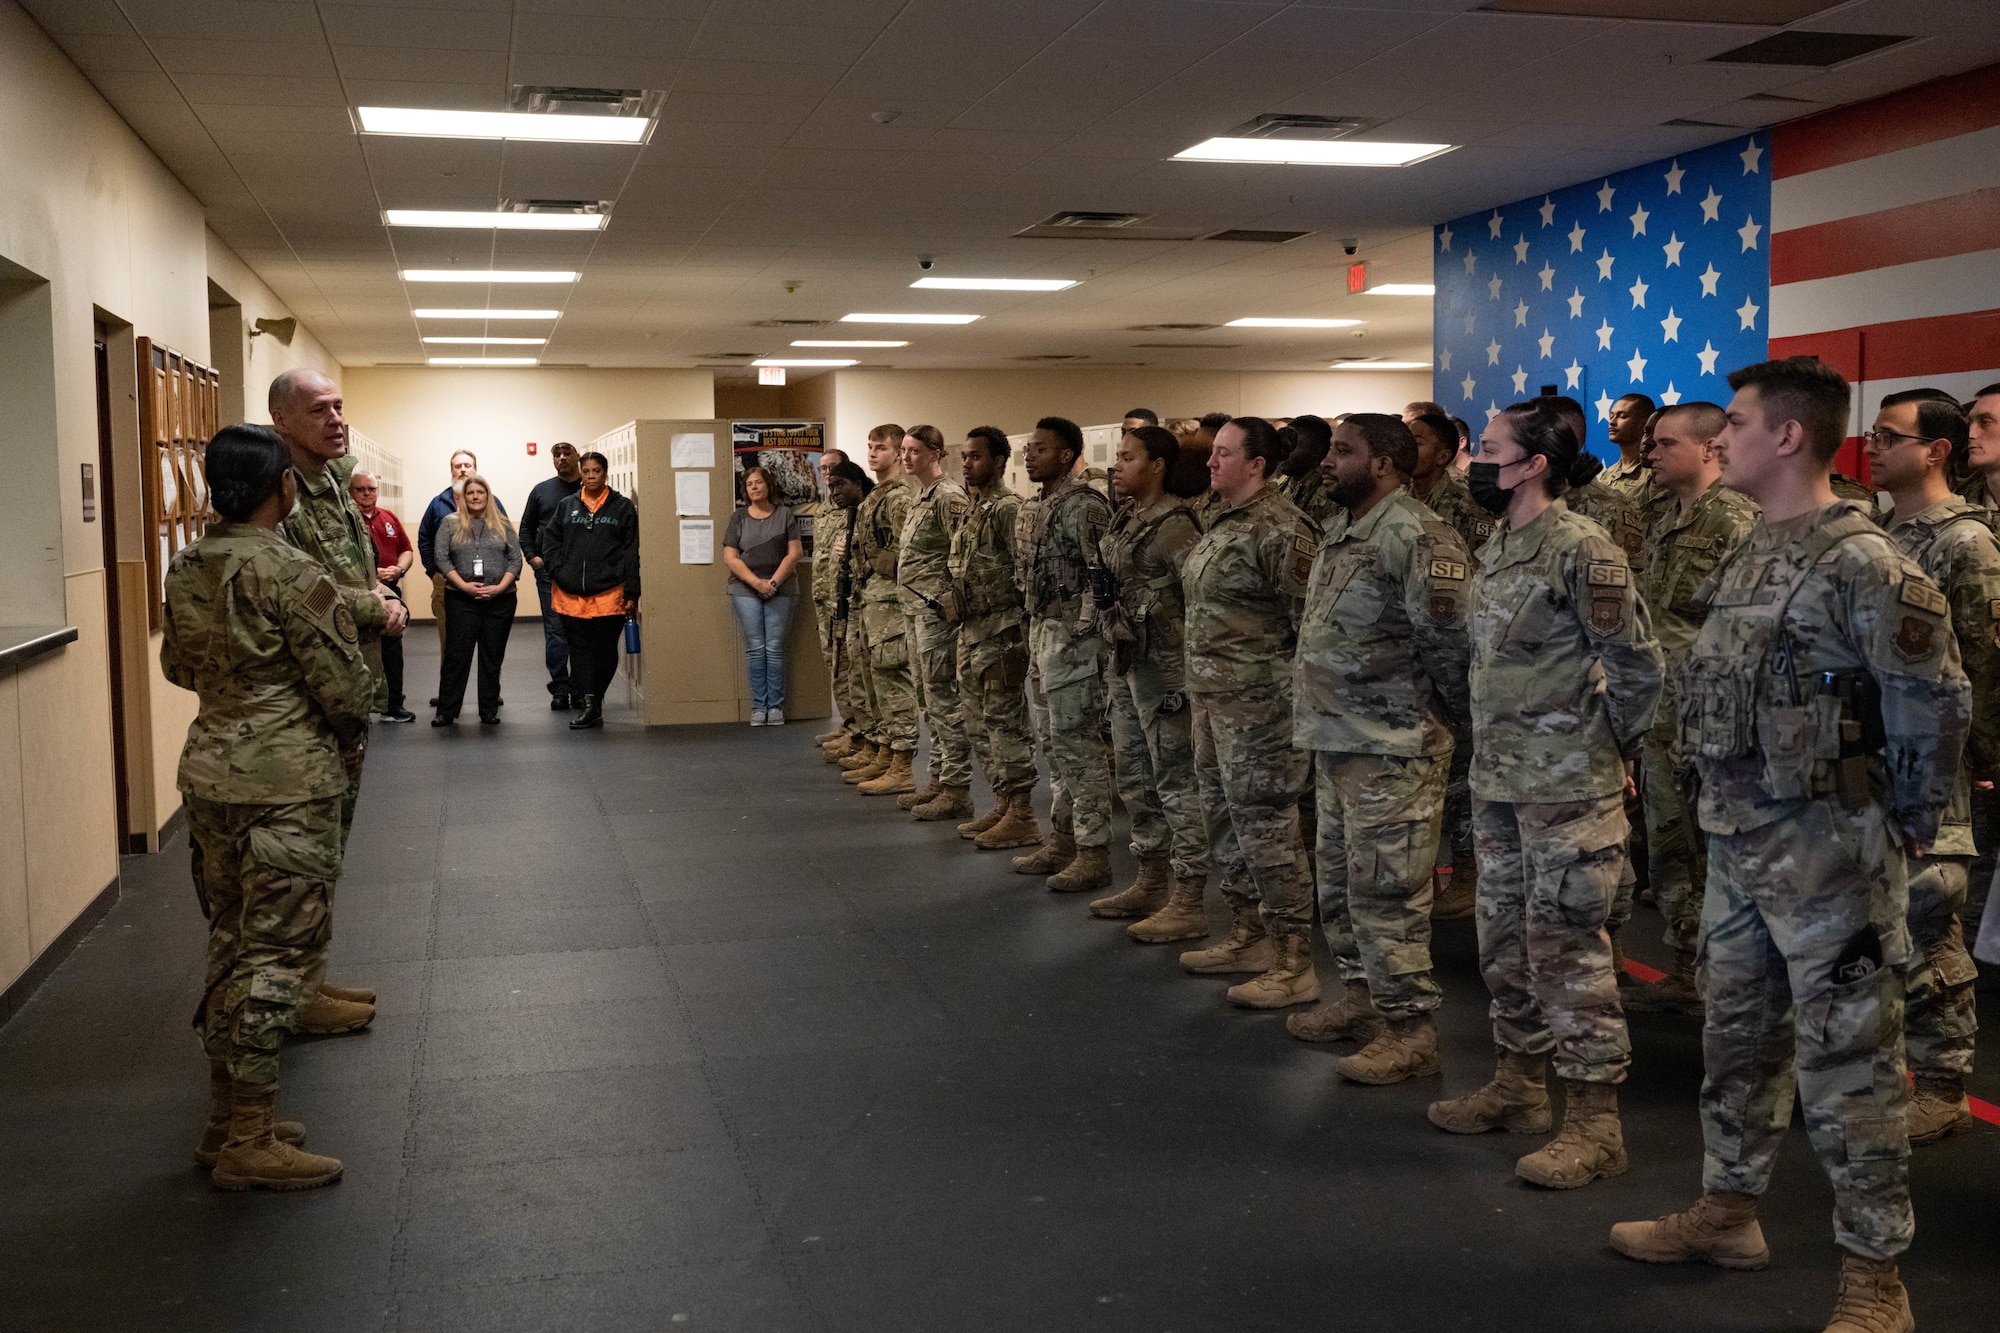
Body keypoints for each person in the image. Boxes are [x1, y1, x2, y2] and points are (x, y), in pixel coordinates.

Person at [1609, 359, 1968, 1333]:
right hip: (1736, 843)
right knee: (1733, 1041)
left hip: (1830, 857)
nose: (1717, 438)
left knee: (1847, 1064)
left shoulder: (1863, 561)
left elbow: (1932, 707)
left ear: (1787, 437)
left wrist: (1901, 838)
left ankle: (1872, 1280)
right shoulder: (1751, 549)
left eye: (1732, 422)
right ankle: (1726, 1214)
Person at [1427, 400, 1661, 1193]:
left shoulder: (1580, 549)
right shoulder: (1497, 544)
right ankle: (1519, 1086)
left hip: (1567, 787)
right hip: (1499, 782)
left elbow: (1637, 666)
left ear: (1533, 464)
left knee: (1568, 949)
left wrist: (1606, 747)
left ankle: (1595, 1125)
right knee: (1504, 942)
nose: (1475, 463)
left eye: (1488, 450)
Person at [161, 424, 383, 1191]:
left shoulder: (185, 566)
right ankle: (249, 1137)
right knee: (277, 956)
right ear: (282, 488)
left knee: (229, 941)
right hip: (288, 783)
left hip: (211, 776)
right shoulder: (296, 573)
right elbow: (345, 688)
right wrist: (349, 736)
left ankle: (225, 1117)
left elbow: (178, 664)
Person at [1288, 414, 1472, 1082]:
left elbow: (1452, 647)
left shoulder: (1416, 534)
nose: (1327, 462)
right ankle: (1363, 999)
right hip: (1338, 740)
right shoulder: (1343, 530)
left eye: (1344, 451)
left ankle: (1411, 1030)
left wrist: (1439, 724)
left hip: (1393, 747)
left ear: (1386, 464)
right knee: (1339, 887)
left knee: (1386, 892)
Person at [1867, 388, 1994, 1145]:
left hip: (1937, 757)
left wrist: (1984, 753)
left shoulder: (1962, 543)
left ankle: (1944, 1082)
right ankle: (1898, 1066)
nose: (1873, 446)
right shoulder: (1885, 529)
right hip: (1883, 754)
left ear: (1935, 450)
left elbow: (1984, 659)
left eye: (1890, 435)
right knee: (1890, 921)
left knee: (1929, 919)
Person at [268, 368, 401, 1036]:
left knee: (328, 854)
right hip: (309, 699)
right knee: (305, 859)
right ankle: (292, 994)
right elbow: (299, 593)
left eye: (339, 406)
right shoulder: (282, 494)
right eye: (319, 409)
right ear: (283, 420)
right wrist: (372, 609)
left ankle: (309, 981)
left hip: (346, 685)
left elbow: (349, 567)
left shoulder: (330, 485)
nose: (336, 418)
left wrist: (374, 596)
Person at [1175, 417, 1321, 1009]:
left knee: (1268, 829)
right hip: (1213, 701)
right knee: (1224, 820)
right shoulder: (1221, 521)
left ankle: (1294, 961)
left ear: (1257, 464)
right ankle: (1248, 934)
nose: (1210, 463)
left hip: (1262, 707)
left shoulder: (1284, 530)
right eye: (1212, 453)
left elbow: (1308, 625)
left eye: (1223, 453)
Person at [1623, 402, 1757, 1019]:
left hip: (1711, 718)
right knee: (1669, 843)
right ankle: (1685, 965)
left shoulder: (1735, 522)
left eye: (1665, 443)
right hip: (1664, 715)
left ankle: (1722, 977)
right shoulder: (1665, 518)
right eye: (1650, 443)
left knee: (1710, 849)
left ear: (1708, 449)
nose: (1651, 451)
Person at [1092, 425, 1207, 928]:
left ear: (1157, 465)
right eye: (1117, 456)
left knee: (1176, 782)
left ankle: (1189, 898)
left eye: (1128, 457)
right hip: (1128, 663)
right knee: (1136, 780)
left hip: (1167, 672)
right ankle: (1150, 879)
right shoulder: (1126, 520)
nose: (1117, 465)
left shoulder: (1176, 526)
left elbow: (1200, 601)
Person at [1014, 416, 1117, 892]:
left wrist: (1084, 634)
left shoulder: (1085, 507)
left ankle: (1094, 850)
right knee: (1055, 746)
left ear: (1066, 454)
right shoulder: (1037, 506)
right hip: (1044, 632)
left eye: (1040, 448)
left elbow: (1104, 576)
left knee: (1079, 746)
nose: (1030, 455)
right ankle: (1064, 836)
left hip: (1075, 640)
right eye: (1028, 448)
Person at [1410, 409, 1495, 920]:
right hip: (1412, 667)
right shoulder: (1396, 507)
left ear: (1444, 453)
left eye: (1417, 441)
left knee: (1462, 777)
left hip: (1459, 654)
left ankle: (1467, 874)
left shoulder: (1464, 504)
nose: (1407, 449)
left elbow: (1476, 583)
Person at [948, 428, 1042, 850]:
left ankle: (1023, 812)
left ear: (1001, 461)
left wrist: (1020, 633)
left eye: (977, 457)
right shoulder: (975, 508)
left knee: (1006, 722)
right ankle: (1004, 801)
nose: (968, 464)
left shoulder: (1008, 510)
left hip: (1001, 631)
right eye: (965, 458)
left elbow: (1024, 573)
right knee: (977, 722)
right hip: (971, 631)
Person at [894, 425, 974, 817]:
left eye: (914, 451)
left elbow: (961, 556)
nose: (906, 457)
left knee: (943, 699)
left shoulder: (948, 497)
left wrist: (947, 602)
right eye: (904, 450)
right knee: (928, 699)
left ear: (936, 453)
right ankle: (939, 779)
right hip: (914, 610)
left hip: (935, 613)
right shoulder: (918, 496)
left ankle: (957, 788)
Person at [842, 425, 920, 794]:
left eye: (881, 448)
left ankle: (902, 764)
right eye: (869, 447)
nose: (873, 454)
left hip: (890, 602)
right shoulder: (878, 496)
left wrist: (887, 563)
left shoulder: (899, 498)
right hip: (870, 598)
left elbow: (913, 550)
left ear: (898, 453)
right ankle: (885, 752)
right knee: (874, 678)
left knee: (893, 681)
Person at [540, 450, 639, 730]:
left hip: (610, 593)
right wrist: (558, 571)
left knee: (605, 650)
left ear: (605, 473)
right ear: (580, 474)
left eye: (596, 471)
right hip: (571, 594)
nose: (591, 476)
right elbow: (550, 540)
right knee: (580, 650)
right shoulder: (566, 506)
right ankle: (589, 703)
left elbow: (631, 551)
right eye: (586, 472)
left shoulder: (621, 507)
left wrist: (633, 591)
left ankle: (596, 698)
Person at [431, 475, 521, 727]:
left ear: (487, 495)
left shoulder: (502, 524)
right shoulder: (449, 524)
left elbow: (515, 559)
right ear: (463, 497)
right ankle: (447, 711)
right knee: (456, 655)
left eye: (480, 492)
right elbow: (441, 558)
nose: (475, 497)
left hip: (500, 600)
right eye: (470, 493)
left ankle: (489, 710)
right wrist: (464, 585)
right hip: (461, 599)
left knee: (492, 657)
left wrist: (499, 588)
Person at [722, 463, 804, 726]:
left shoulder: (785, 516)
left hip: (781, 589)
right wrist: (757, 583)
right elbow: (730, 557)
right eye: (749, 484)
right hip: (745, 589)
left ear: (769, 485)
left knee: (775, 649)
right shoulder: (738, 518)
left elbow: (795, 554)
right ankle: (759, 707)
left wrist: (773, 583)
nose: (754, 487)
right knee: (756, 650)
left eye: (758, 482)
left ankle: (776, 708)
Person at [417, 450, 506, 656]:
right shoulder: (438, 504)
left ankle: (489, 689)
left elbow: (505, 538)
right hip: (447, 584)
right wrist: (435, 572)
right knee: (451, 649)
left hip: (487, 585)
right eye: (458, 466)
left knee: (490, 649)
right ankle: (452, 688)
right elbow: (425, 540)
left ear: (475, 469)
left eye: (467, 465)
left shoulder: (493, 502)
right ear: (452, 471)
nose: (463, 470)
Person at [519, 441, 583, 710]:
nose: (561, 458)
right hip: (549, 573)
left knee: (581, 631)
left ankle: (581, 688)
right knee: (555, 630)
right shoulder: (542, 491)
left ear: (577, 457)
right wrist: (533, 559)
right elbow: (526, 528)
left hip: (582, 573)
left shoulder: (589, 488)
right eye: (556, 454)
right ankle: (560, 689)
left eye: (567, 453)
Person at [348, 469, 415, 723]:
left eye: (371, 489)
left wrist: (398, 568)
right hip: (360, 594)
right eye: (360, 489)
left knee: (392, 650)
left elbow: (406, 550)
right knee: (359, 650)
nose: (367, 493)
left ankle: (393, 704)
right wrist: (370, 572)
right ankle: (360, 707)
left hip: (390, 591)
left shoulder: (388, 518)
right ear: (350, 492)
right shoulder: (347, 521)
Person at [820, 461, 877, 763]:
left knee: (870, 678)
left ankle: (880, 748)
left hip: (872, 605)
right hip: (845, 600)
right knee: (849, 672)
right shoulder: (844, 512)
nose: (835, 491)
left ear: (858, 481)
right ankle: (858, 734)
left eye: (840, 484)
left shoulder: (874, 507)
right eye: (831, 486)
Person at [807, 449, 853, 748]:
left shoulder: (852, 505)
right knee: (833, 663)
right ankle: (848, 725)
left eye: (832, 468)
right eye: (822, 469)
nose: (826, 473)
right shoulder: (824, 509)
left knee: (849, 665)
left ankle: (859, 731)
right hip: (823, 596)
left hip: (843, 599)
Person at [1273, 413, 1338, 526]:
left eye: (1293, 445)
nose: (1283, 451)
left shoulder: (1330, 492)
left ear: (1316, 450)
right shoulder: (1284, 485)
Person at [1601, 394, 1658, 499]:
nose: (1612, 422)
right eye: (1611, 416)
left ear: (1644, 423)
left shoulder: (1655, 473)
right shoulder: (1607, 475)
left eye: (1622, 416)